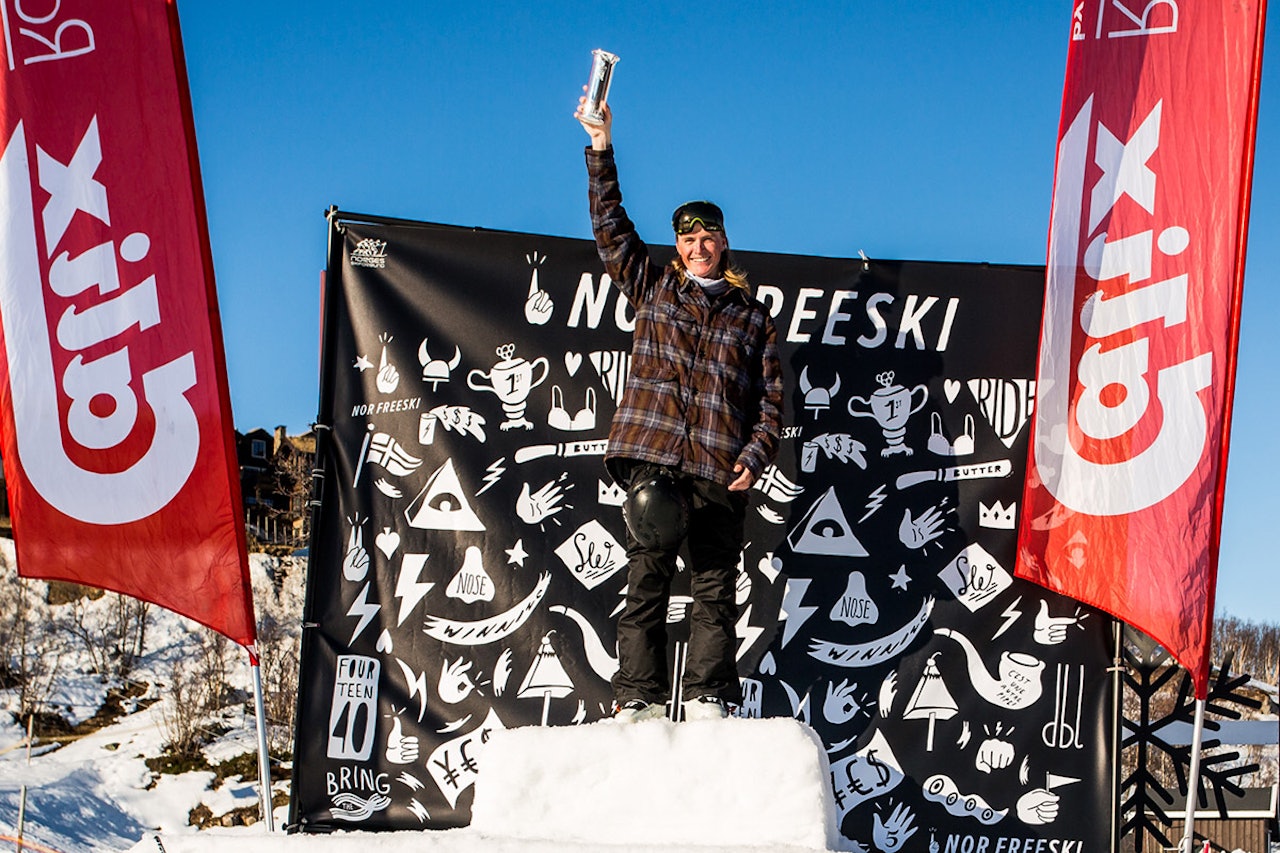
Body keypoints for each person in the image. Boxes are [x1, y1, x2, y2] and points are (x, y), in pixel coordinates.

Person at [575, 95, 784, 723]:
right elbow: (611, 227)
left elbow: (772, 402)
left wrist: (755, 457)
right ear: (678, 246)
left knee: (716, 589)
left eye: (708, 237)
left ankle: (708, 699)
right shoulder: (654, 286)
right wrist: (601, 147)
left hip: (721, 470)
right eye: (688, 239)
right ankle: (636, 698)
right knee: (646, 582)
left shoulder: (754, 319)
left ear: (725, 241)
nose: (699, 247)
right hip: (656, 464)